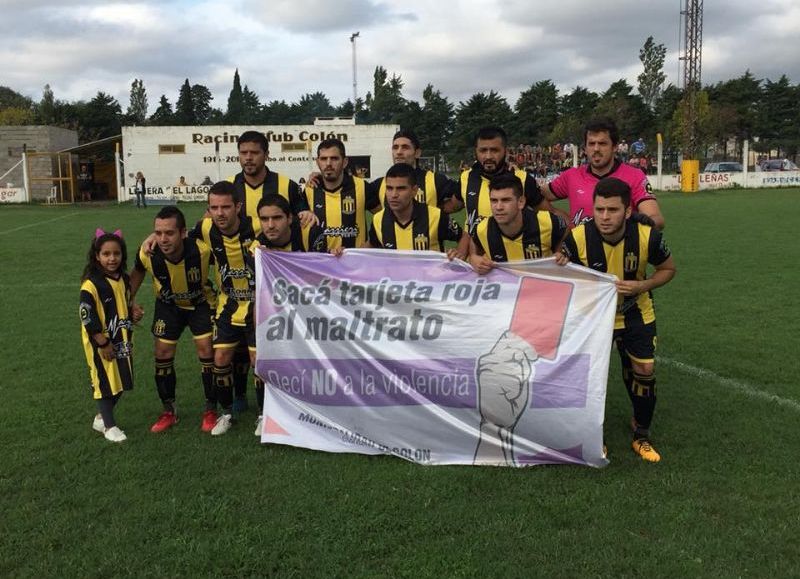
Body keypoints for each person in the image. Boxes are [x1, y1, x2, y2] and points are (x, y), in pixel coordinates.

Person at [557, 177, 676, 462]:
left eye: (612, 210)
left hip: (636, 312)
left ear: (627, 211)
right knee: (587, 375)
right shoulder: (578, 237)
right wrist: (561, 263)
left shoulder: (647, 235)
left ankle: (641, 435)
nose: (605, 217)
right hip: (594, 318)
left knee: (643, 370)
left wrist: (641, 286)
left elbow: (668, 268)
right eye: (599, 210)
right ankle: (592, 436)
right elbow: (563, 277)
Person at [129, 206, 218, 434]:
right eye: (158, 233)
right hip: (168, 306)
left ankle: (210, 409)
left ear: (183, 233)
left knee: (207, 351)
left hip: (200, 304)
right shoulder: (148, 253)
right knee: (162, 354)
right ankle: (169, 410)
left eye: (169, 233)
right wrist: (129, 301)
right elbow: (137, 272)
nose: (163, 239)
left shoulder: (203, 251)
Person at [191, 181, 257, 435]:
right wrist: (154, 235)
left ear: (238, 207)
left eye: (226, 207)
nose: (220, 213)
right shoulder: (206, 228)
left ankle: (264, 415)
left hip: (257, 305)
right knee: (220, 359)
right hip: (228, 304)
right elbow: (180, 233)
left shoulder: (257, 226)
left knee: (257, 361)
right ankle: (226, 413)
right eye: (214, 207)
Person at [541, 118, 665, 229]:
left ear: (615, 147)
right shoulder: (571, 176)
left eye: (602, 143)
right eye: (591, 144)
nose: (596, 149)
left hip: (620, 252)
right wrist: (562, 218)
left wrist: (631, 228)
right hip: (581, 253)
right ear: (585, 148)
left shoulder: (634, 176)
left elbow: (656, 218)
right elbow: (537, 196)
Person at [79, 229, 143, 443]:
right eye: (106, 254)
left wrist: (133, 311)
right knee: (105, 383)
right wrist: (102, 342)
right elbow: (87, 317)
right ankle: (109, 426)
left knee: (123, 380)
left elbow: (125, 303)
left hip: (123, 339)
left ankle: (100, 418)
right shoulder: (91, 285)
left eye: (116, 253)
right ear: (97, 256)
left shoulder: (124, 279)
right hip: (102, 344)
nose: (112, 258)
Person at [451, 126, 558, 236]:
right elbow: (452, 206)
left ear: (505, 151)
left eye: (494, 150)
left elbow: (551, 214)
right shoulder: (466, 178)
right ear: (476, 152)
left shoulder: (522, 179)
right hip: (474, 251)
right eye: (483, 150)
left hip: (512, 251)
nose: (488, 156)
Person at [469, 173, 568, 275]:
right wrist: (473, 258)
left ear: (521, 202)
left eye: (506, 200)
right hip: (507, 289)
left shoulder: (548, 222)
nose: (498, 207)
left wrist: (562, 253)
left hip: (541, 287)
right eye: (494, 201)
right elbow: (475, 243)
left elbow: (564, 236)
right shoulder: (482, 228)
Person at [366, 163, 468, 258]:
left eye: (401, 188)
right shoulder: (378, 220)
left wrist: (458, 255)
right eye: (389, 188)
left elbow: (464, 236)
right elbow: (370, 246)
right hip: (395, 277)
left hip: (430, 276)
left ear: (414, 190)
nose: (394, 195)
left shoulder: (435, 216)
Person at [304, 138, 381, 250]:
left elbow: (384, 217)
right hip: (319, 263)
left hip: (353, 263)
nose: (328, 163)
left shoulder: (362, 187)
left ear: (345, 162)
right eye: (324, 159)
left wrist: (371, 243)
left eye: (334, 158)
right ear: (317, 162)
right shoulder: (309, 190)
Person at [368, 129, 459, 211]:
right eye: (395, 147)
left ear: (417, 153)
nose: (399, 152)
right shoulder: (380, 184)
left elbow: (462, 196)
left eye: (405, 147)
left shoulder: (436, 180)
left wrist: (439, 213)